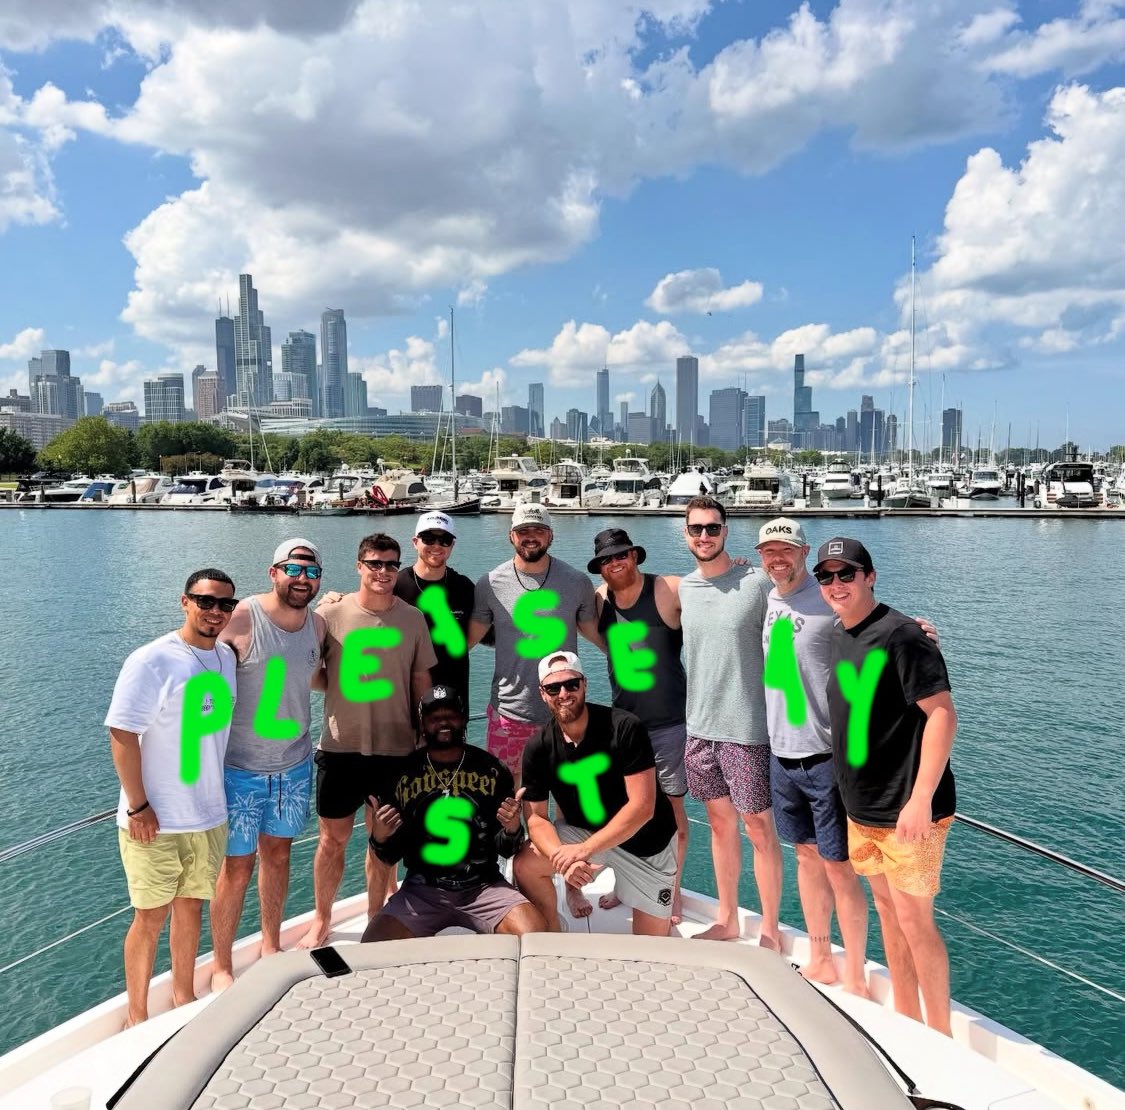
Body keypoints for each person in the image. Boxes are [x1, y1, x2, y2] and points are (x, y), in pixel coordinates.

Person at [815, 536, 958, 1035]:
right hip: (862, 809)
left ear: (870, 577)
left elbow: (942, 715)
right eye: (826, 576)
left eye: (846, 574)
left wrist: (920, 800)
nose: (836, 584)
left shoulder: (903, 635)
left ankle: (940, 1039)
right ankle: (909, 1021)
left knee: (916, 923)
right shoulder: (838, 632)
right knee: (888, 914)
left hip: (908, 810)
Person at [106, 569, 238, 1027]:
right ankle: (137, 1016)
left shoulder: (224, 657)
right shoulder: (152, 660)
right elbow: (122, 733)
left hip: (208, 815)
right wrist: (138, 806)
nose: (215, 612)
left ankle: (183, 997)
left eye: (225, 604)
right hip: (155, 821)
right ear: (185, 602)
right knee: (149, 919)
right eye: (205, 602)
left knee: (191, 911)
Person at [297, 533, 436, 949]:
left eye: (392, 565)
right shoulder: (329, 615)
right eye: (375, 563)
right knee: (331, 840)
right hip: (340, 747)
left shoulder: (412, 618)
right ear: (359, 566)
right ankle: (322, 918)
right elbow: (311, 671)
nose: (383, 572)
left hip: (397, 749)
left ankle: (378, 917)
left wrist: (427, 736)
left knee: (384, 840)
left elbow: (420, 681)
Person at [757, 518, 871, 994]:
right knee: (805, 856)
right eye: (769, 552)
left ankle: (858, 974)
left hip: (823, 755)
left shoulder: (827, 599)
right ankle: (821, 957)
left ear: (803, 553)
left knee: (838, 865)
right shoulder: (767, 597)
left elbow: (871, 620)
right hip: (781, 753)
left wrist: (918, 631)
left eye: (786, 550)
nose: (777, 558)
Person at [209, 539, 325, 992]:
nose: (302, 580)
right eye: (293, 570)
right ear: (273, 572)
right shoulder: (241, 618)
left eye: (312, 573)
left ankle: (270, 944)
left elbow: (311, 677)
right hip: (238, 769)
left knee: (278, 855)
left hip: (293, 767)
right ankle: (221, 964)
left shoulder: (317, 625)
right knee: (236, 867)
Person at [678, 495, 783, 945]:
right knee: (720, 826)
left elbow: (818, 606)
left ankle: (772, 929)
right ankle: (728, 919)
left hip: (747, 730)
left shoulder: (757, 582)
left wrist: (899, 628)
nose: (705, 536)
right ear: (686, 534)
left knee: (759, 828)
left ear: (726, 531)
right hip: (699, 729)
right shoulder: (684, 588)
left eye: (713, 528)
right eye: (697, 529)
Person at [514, 651, 678, 936]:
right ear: (543, 694)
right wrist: (561, 858)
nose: (563, 693)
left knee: (652, 951)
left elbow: (642, 806)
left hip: (646, 844)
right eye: (554, 688)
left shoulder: (625, 727)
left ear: (584, 684)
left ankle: (628, 887)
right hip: (585, 835)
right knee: (525, 864)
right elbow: (537, 819)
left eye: (571, 684)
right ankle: (552, 931)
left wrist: (585, 850)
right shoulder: (538, 747)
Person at [362, 686, 546, 939]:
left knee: (535, 932)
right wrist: (380, 837)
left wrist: (513, 828)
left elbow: (506, 849)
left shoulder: (492, 769)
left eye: (451, 715)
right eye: (434, 717)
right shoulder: (402, 775)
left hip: (484, 886)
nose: (443, 722)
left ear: (463, 719)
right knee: (374, 942)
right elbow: (390, 855)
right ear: (423, 725)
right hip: (422, 890)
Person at [588, 527, 690, 923]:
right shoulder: (599, 600)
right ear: (600, 568)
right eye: (607, 560)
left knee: (673, 812)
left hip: (669, 723)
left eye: (622, 555)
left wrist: (736, 567)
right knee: (626, 810)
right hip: (624, 726)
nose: (616, 563)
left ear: (635, 555)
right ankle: (627, 885)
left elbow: (713, 585)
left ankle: (673, 892)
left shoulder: (669, 589)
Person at [469, 503, 603, 782]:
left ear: (551, 535)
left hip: (566, 711)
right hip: (509, 712)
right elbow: (469, 638)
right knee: (506, 795)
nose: (531, 536)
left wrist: (627, 652)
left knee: (571, 797)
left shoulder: (577, 581)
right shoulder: (489, 584)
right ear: (511, 536)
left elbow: (592, 630)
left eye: (539, 530)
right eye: (523, 530)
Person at [394, 511, 475, 711]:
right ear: (415, 542)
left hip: (454, 705)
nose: (437, 546)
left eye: (444, 540)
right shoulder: (395, 585)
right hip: (404, 702)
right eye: (429, 538)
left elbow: (489, 629)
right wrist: (335, 598)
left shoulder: (464, 587)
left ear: (452, 545)